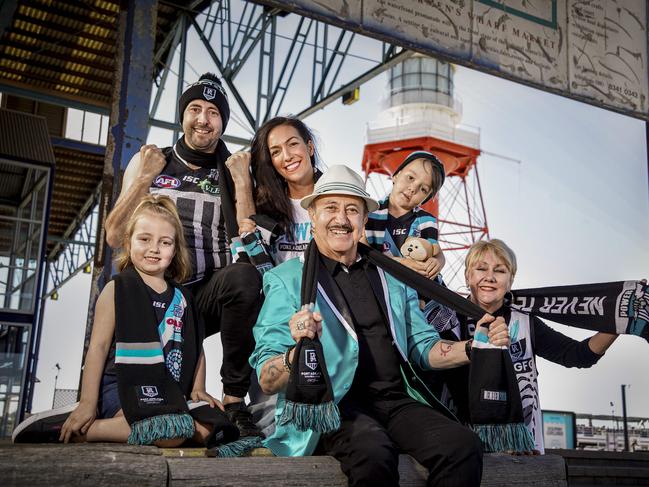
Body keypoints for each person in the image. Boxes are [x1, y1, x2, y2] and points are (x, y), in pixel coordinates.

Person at [250, 165, 512, 487]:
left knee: (463, 446)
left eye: (352, 210)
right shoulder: (287, 279)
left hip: (396, 401)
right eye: (331, 208)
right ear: (314, 217)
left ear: (363, 221)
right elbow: (266, 378)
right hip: (335, 406)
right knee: (374, 452)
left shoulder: (391, 274)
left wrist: (475, 346)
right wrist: (296, 351)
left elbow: (423, 346)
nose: (341, 219)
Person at [103, 73, 262, 438]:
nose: (203, 119)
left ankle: (235, 401)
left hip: (206, 295)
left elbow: (248, 238)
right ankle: (114, 400)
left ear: (222, 122)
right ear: (182, 115)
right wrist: (144, 179)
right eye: (195, 109)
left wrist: (241, 183)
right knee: (123, 287)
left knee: (246, 276)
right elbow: (114, 235)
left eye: (213, 112)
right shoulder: (152, 163)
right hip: (158, 294)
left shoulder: (233, 169)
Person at [14, 196, 223, 445]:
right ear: (128, 242)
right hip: (124, 387)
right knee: (171, 432)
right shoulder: (117, 289)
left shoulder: (184, 298)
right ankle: (76, 430)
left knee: (209, 428)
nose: (154, 248)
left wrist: (198, 388)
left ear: (175, 249)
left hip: (170, 391)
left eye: (164, 242)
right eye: (144, 239)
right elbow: (98, 348)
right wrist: (88, 403)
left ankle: (94, 430)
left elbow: (195, 347)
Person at [429, 239, 619, 453]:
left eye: (499, 271)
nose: (489, 277)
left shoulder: (525, 321)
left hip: (520, 448)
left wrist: (620, 321)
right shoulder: (446, 318)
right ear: (467, 276)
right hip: (457, 445)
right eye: (481, 268)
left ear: (511, 280)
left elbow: (578, 355)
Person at [226, 115, 321, 264]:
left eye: (293, 144)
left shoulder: (338, 197)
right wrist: (243, 181)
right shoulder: (267, 209)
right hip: (277, 286)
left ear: (310, 148)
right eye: (276, 152)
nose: (287, 156)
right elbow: (251, 257)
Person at [365, 151, 446, 279]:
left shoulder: (425, 221)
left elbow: (436, 250)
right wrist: (402, 263)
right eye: (410, 178)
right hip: (380, 284)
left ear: (425, 199)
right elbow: (364, 252)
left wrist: (438, 262)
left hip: (417, 289)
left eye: (423, 189)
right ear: (396, 175)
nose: (413, 188)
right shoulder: (369, 214)